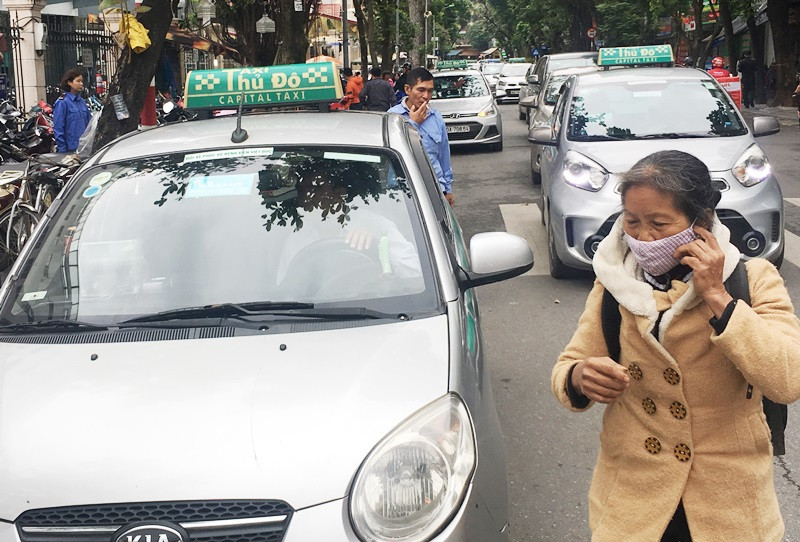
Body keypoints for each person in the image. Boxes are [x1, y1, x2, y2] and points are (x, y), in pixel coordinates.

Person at [551, 150, 800, 542]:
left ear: (701, 222)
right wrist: (580, 377)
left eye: (659, 223)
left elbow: (787, 378)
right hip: (635, 498)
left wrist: (718, 296)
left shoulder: (752, 280)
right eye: (632, 221)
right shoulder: (613, 284)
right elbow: (571, 363)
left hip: (728, 504)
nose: (642, 237)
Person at [388, 67, 454, 207]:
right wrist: (413, 124)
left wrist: (448, 189)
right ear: (408, 89)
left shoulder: (435, 116)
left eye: (430, 91)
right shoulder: (393, 116)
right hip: (404, 190)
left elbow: (443, 154)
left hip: (435, 188)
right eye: (421, 90)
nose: (426, 96)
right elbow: (395, 150)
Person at [53, 69, 92, 153]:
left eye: (81, 81)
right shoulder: (62, 102)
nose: (81, 84)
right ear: (69, 82)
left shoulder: (81, 102)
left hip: (84, 147)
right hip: (70, 149)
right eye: (78, 81)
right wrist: (62, 150)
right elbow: (58, 128)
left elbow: (90, 123)